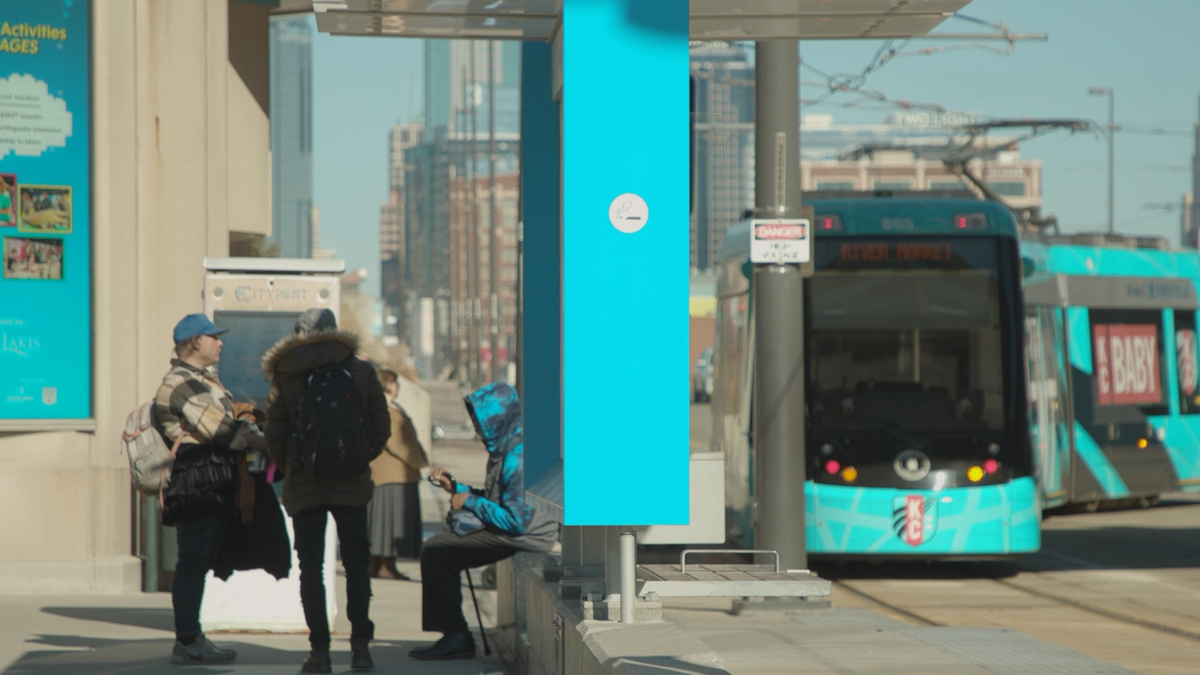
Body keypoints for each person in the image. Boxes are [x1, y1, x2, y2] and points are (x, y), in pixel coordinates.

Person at [262, 308, 391, 674]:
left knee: (311, 569)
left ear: (300, 333)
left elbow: (274, 433)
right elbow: (382, 426)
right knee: (357, 565)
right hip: (352, 482)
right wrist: (356, 457)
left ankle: (319, 652)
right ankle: (361, 649)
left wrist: (296, 464)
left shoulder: (287, 372)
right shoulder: (361, 370)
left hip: (306, 483)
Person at [410, 382, 558, 661]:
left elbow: (516, 521)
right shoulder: (506, 449)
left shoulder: (516, 458)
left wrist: (468, 501)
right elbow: (498, 500)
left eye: (480, 421)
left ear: (496, 420)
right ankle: (454, 634)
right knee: (438, 549)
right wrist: (456, 487)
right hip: (514, 531)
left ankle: (456, 636)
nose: (476, 427)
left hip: (526, 535)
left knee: (438, 552)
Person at [154, 313, 266, 666]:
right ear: (194, 342)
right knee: (193, 560)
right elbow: (223, 431)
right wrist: (263, 440)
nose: (220, 342)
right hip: (195, 479)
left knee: (199, 561)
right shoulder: (182, 383)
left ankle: (193, 637)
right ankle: (188, 640)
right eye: (213, 336)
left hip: (209, 477)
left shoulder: (202, 380)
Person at [367, 369, 429, 580]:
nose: (397, 386)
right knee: (389, 525)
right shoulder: (385, 410)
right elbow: (397, 442)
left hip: (388, 476)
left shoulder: (385, 408)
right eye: (393, 382)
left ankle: (377, 564)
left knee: (382, 525)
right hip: (392, 476)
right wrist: (419, 461)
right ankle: (385, 565)